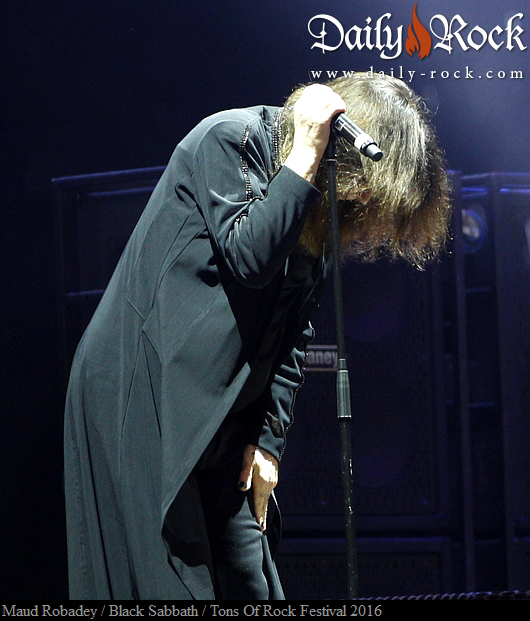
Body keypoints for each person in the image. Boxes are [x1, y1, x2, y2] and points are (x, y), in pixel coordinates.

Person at [64, 74, 451, 600]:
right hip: (141, 392)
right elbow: (249, 257)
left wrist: (268, 442)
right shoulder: (230, 140)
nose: (365, 204)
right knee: (169, 581)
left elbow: (294, 330)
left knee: (250, 581)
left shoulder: (318, 206)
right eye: (367, 188)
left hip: (221, 408)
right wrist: (305, 157)